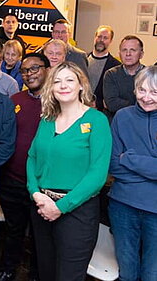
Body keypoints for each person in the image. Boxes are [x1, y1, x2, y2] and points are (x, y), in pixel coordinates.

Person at [27, 62, 112, 281]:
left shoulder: (97, 121)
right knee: (46, 273)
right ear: (51, 88)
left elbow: (97, 175)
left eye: (69, 80)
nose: (63, 86)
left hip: (77, 213)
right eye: (57, 81)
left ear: (81, 85)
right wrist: (35, 192)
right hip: (42, 208)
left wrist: (60, 207)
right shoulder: (47, 119)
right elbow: (32, 157)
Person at [0, 53, 50, 281]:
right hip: (12, 181)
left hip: (44, 186)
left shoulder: (58, 102)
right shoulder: (15, 100)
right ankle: (9, 269)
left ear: (48, 69)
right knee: (13, 230)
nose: (30, 74)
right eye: (26, 70)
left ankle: (37, 275)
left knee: (41, 236)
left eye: (35, 68)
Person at [108, 65, 157, 281]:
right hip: (123, 206)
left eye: (155, 92)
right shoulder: (121, 116)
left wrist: (130, 158)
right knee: (127, 273)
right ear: (135, 90)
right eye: (142, 90)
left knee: (152, 274)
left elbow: (122, 161)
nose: (147, 97)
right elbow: (113, 165)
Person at [103, 35, 145, 120]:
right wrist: (141, 104)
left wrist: (122, 102)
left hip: (142, 124)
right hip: (116, 123)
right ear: (119, 54)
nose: (128, 54)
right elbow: (112, 104)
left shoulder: (149, 76)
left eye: (132, 50)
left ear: (141, 54)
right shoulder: (110, 74)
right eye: (124, 50)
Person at [87, 25, 121, 111]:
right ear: (95, 37)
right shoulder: (82, 59)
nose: (101, 40)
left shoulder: (116, 66)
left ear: (110, 41)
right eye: (99, 37)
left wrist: (98, 103)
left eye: (105, 38)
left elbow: (116, 95)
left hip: (100, 113)